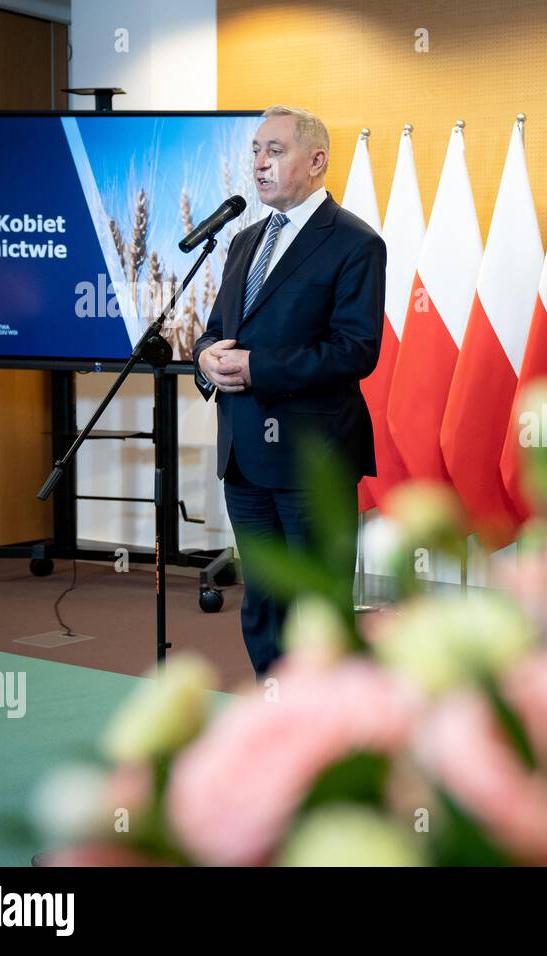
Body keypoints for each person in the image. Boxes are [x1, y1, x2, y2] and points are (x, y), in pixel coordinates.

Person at [193, 105, 385, 677]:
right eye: (255, 150)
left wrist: (257, 368)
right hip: (244, 455)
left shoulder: (354, 243)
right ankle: (278, 718)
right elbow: (219, 328)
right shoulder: (242, 241)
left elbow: (356, 350)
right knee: (264, 604)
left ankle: (326, 738)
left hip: (311, 460)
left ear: (316, 160)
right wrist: (205, 357)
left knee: (318, 610)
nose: (259, 163)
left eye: (274, 151)